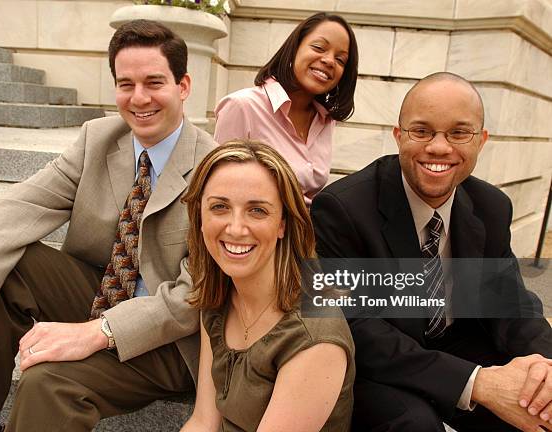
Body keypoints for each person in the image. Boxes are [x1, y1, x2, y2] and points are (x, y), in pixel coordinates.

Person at [0, 20, 216, 431]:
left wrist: (98, 333)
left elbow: (194, 293)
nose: (139, 98)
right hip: (97, 293)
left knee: (46, 382)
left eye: (154, 82)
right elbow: (18, 206)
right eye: (126, 84)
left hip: (168, 339)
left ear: (184, 86)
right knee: (3, 263)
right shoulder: (99, 138)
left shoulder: (216, 166)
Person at [311, 72, 552, 431]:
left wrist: (543, 367)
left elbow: (509, 300)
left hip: (457, 340)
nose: (439, 147)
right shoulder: (342, 208)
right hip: (379, 360)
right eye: (421, 131)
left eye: (458, 133)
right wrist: (477, 383)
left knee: (537, 405)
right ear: (399, 136)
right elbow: (354, 324)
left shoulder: (492, 206)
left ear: (481, 141)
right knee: (417, 426)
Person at [179, 140, 355, 431]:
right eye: (220, 207)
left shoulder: (315, 338)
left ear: (283, 224)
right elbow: (203, 422)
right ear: (200, 216)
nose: (235, 228)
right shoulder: (218, 296)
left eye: (257, 211)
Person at [214, 12, 358, 207]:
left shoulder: (326, 121)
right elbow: (219, 190)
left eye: (341, 60)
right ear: (294, 48)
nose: (329, 61)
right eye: (318, 47)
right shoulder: (242, 107)